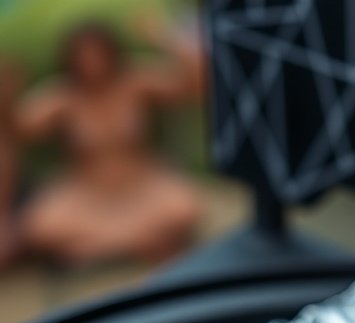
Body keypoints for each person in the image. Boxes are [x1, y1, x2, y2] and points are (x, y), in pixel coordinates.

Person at [0, 16, 206, 266]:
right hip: (85, 193)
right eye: (84, 55)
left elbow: (192, 86)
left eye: (96, 53)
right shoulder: (64, 95)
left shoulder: (134, 81)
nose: (91, 62)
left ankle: (97, 249)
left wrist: (168, 40)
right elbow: (22, 129)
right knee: (39, 226)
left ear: (110, 52)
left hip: (143, 184)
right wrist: (6, 97)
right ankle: (140, 243)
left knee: (184, 209)